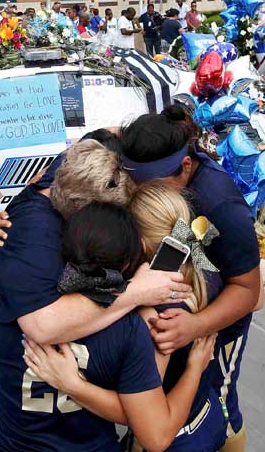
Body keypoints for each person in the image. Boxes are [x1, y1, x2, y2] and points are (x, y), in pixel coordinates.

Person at [0, 138, 191, 441]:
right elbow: (147, 422)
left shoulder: (8, 308)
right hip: (87, 443)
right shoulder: (131, 328)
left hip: (10, 433)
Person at [0, 202, 216, 452]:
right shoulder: (134, 329)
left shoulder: (15, 309)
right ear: (128, 265)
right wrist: (194, 368)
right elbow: (151, 427)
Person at [25, 181, 229, 452]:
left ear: (139, 246)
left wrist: (73, 385)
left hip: (178, 437)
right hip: (209, 414)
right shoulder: (206, 270)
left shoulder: (156, 317)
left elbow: (149, 424)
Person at [119, 106, 261, 451]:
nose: (140, 195)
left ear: (185, 167)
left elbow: (249, 291)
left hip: (215, 326)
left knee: (220, 402)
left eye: (150, 187)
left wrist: (196, 325)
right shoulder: (153, 167)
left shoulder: (220, 205)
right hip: (182, 300)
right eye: (133, 184)